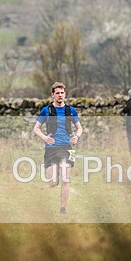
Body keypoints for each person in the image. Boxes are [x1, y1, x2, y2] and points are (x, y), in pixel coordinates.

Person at [33, 82, 82, 215]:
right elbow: (36, 128)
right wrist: (45, 138)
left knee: (66, 179)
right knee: (53, 183)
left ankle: (63, 209)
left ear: (65, 94)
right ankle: (53, 181)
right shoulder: (46, 110)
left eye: (62, 93)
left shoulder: (71, 110)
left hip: (67, 147)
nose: (60, 95)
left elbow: (79, 128)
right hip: (51, 148)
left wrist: (76, 136)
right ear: (53, 95)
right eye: (57, 93)